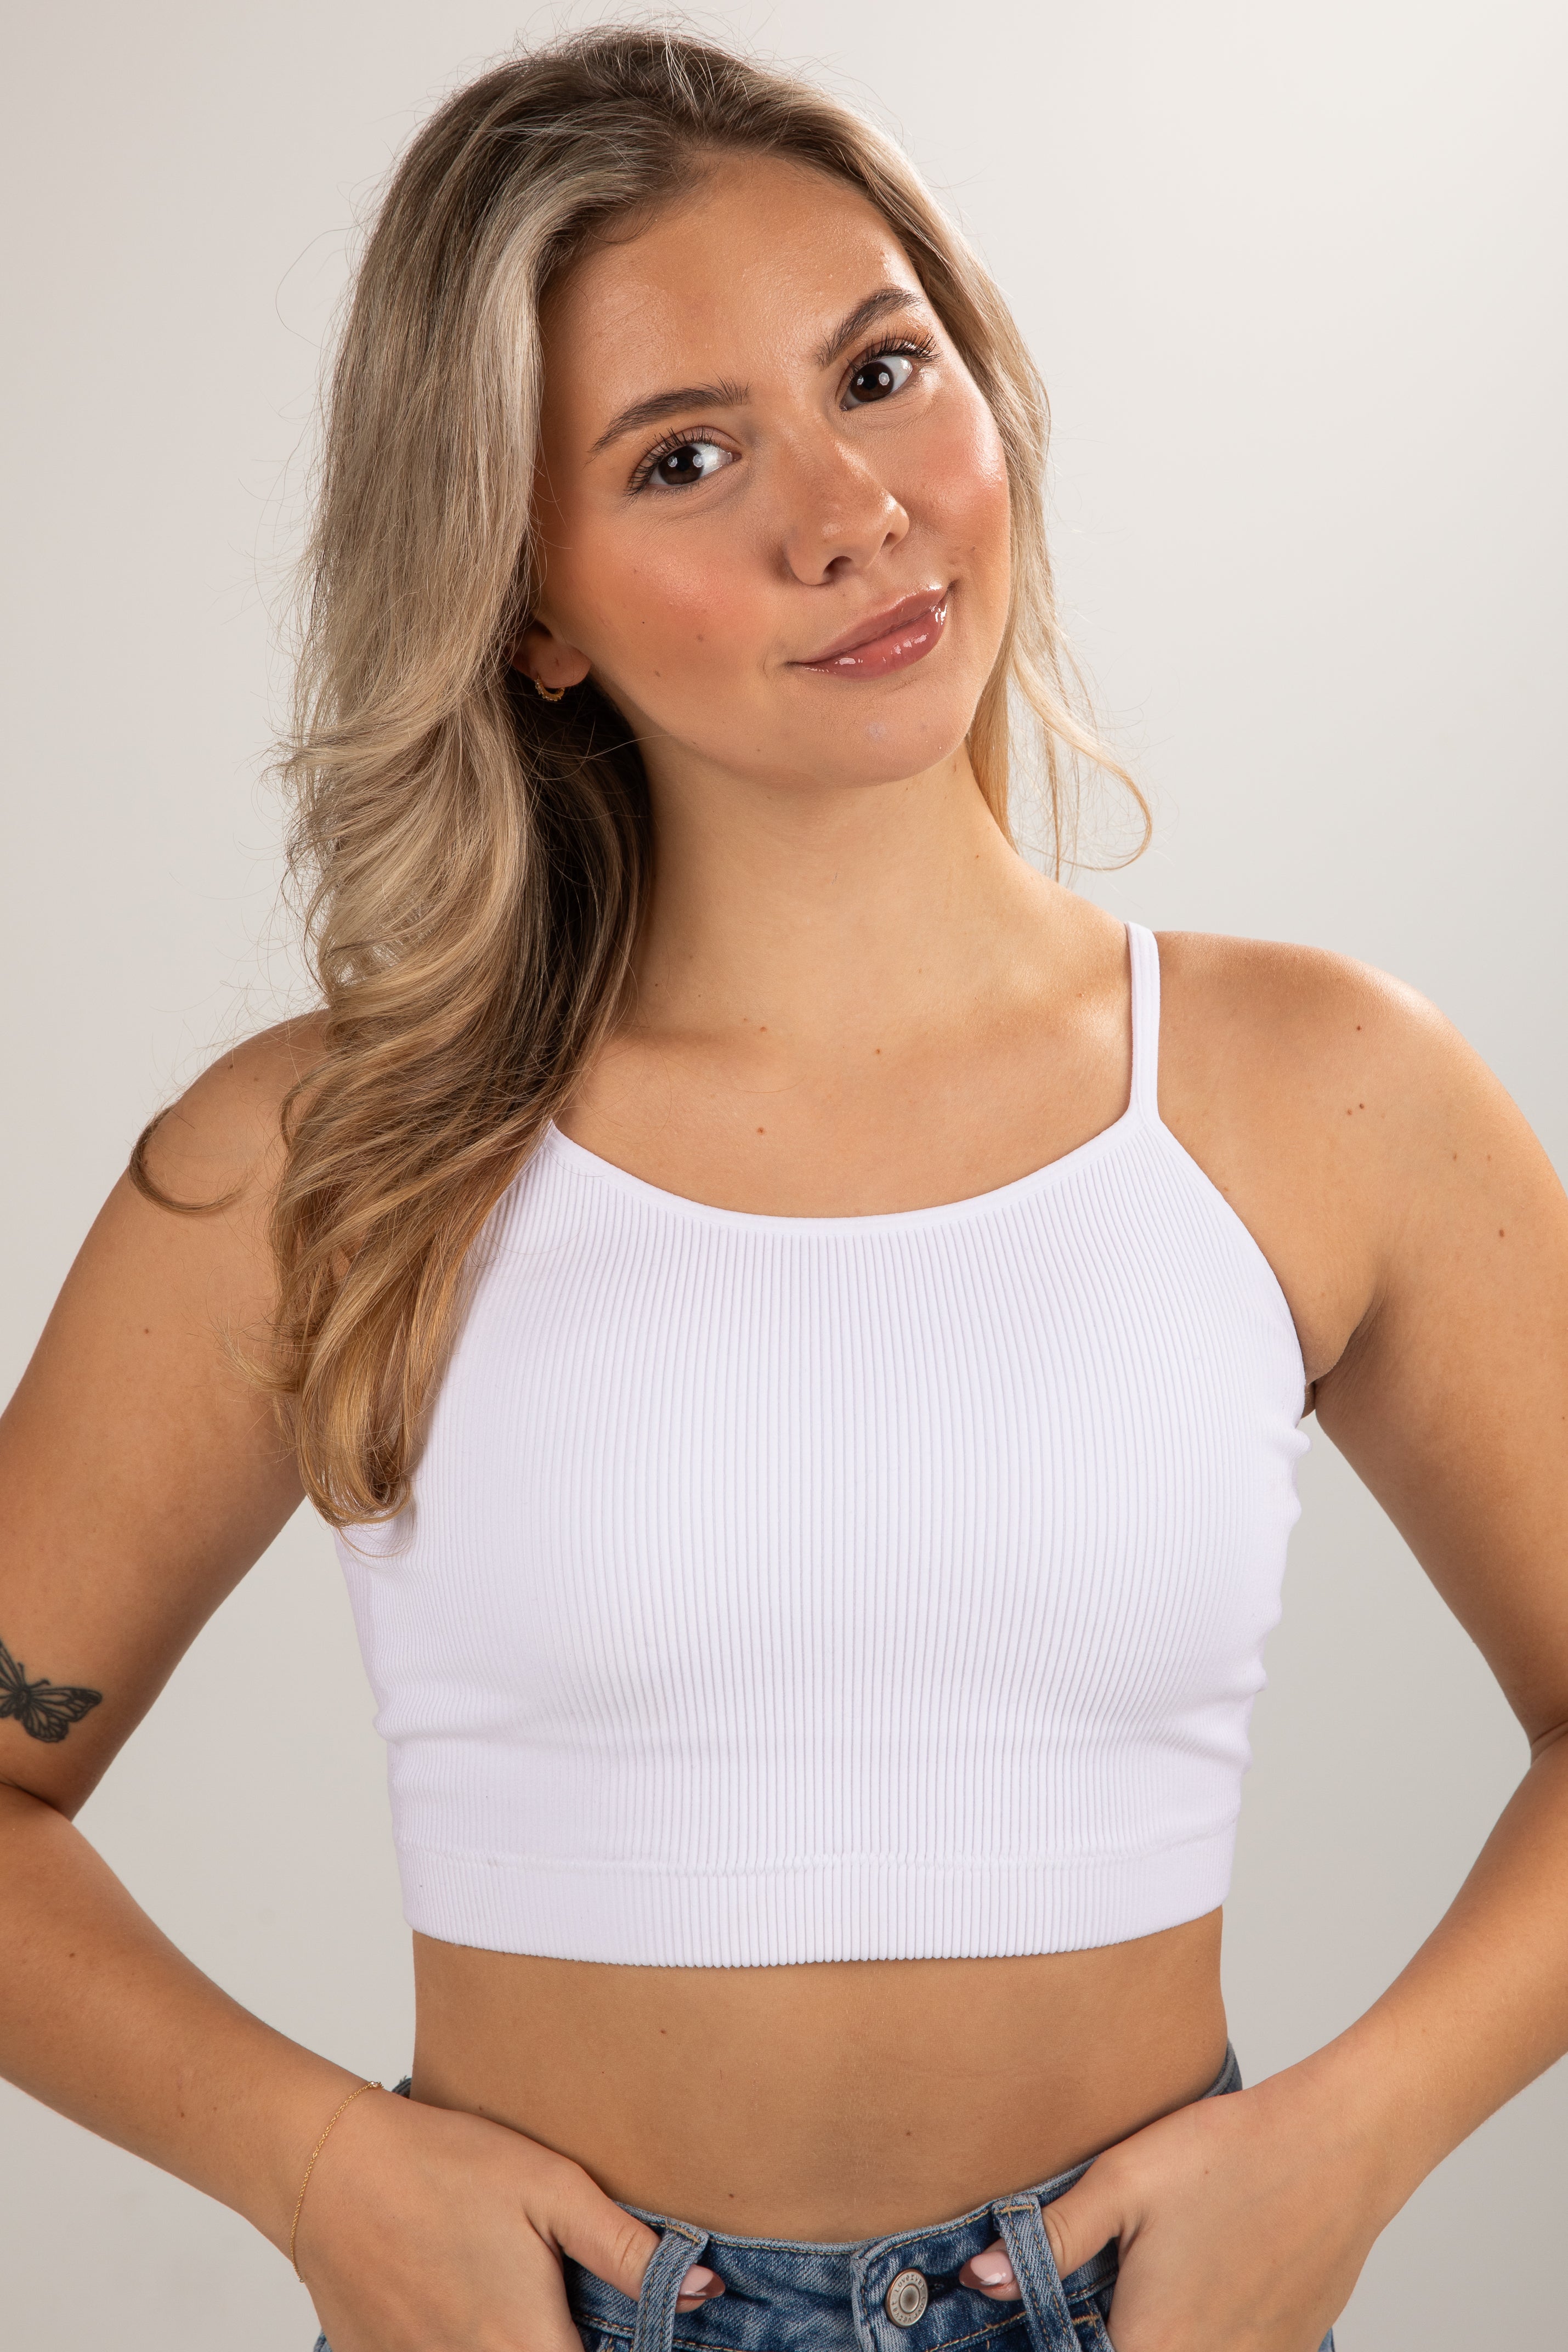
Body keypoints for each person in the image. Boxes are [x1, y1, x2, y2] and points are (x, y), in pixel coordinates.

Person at [2, 27, 1565, 2352]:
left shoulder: (1316, 1093)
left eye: (880, 367)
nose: (846, 512)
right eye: (684, 454)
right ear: (525, 606)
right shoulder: (331, 1162)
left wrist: (1347, 2148)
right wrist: (319, 2168)